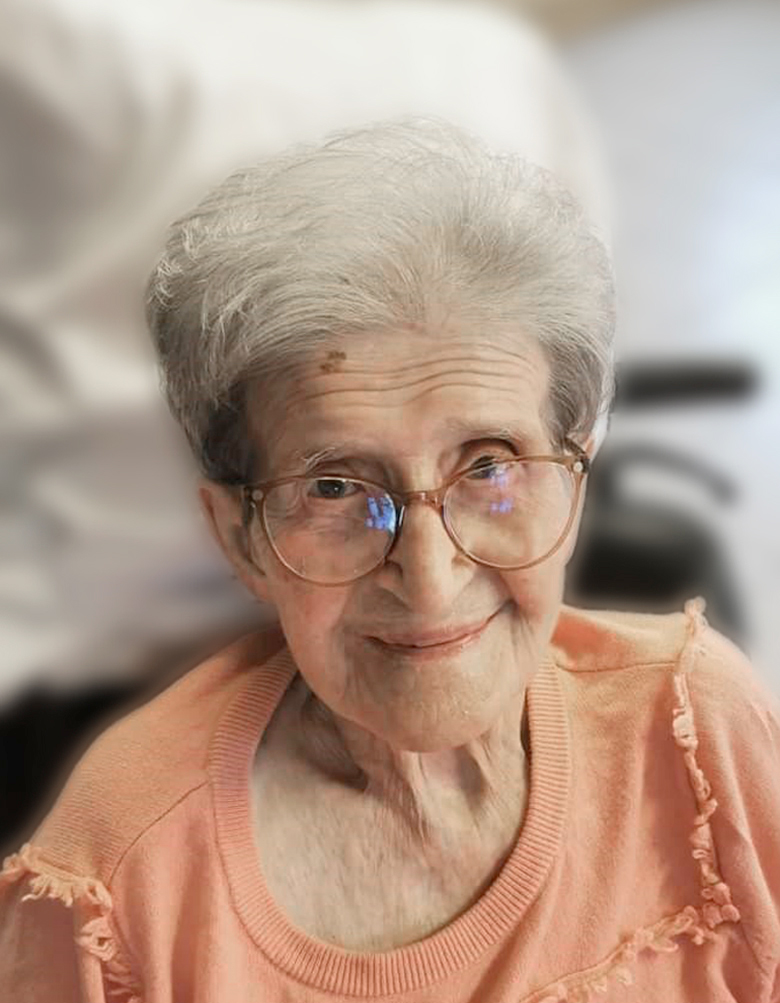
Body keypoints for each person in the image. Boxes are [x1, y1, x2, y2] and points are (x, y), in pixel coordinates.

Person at [1, 118, 778, 1002]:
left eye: (488, 467)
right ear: (240, 537)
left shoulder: (696, 727)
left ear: (574, 482)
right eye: (334, 487)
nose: (431, 578)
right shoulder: (118, 877)